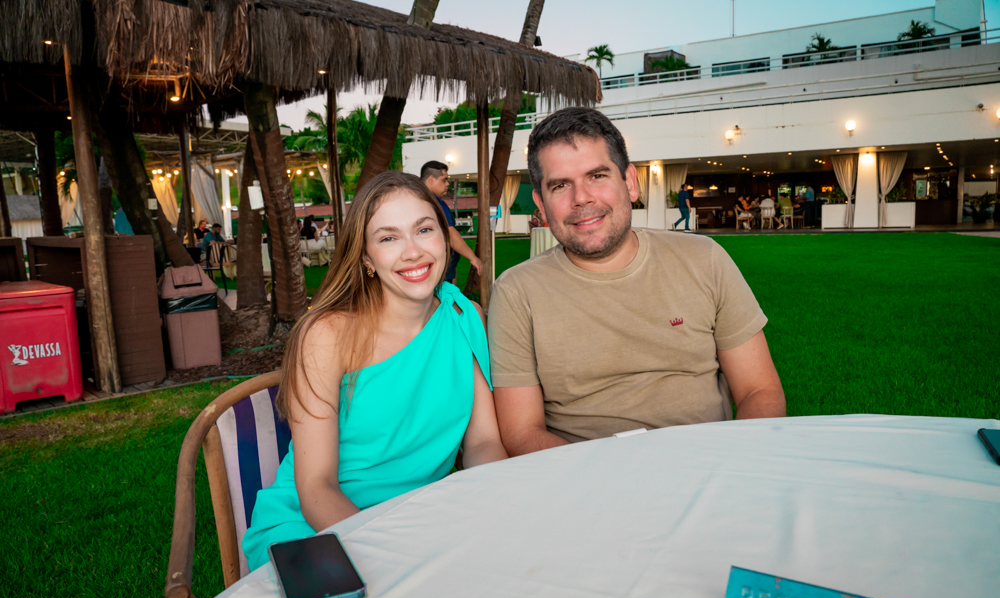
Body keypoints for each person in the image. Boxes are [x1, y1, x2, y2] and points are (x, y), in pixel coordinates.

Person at [242, 171, 508, 571]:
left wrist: (501, 503)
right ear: (366, 257)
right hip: (317, 525)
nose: (413, 251)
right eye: (388, 238)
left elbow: (483, 442)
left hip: (422, 521)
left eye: (424, 230)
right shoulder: (327, 334)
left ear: (444, 238)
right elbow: (316, 486)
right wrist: (390, 554)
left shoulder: (464, 316)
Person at [488, 107, 785, 456]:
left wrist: (735, 462)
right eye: (561, 185)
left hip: (709, 464)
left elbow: (758, 390)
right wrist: (607, 478)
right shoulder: (516, 292)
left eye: (597, 176)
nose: (581, 198)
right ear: (541, 202)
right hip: (582, 474)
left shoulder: (704, 259)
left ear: (630, 182)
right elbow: (522, 432)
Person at [420, 160, 483, 284]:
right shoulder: (435, 203)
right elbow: (450, 234)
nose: (447, 184)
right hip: (437, 271)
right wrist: (473, 257)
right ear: (431, 179)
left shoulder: (419, 199)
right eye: (444, 180)